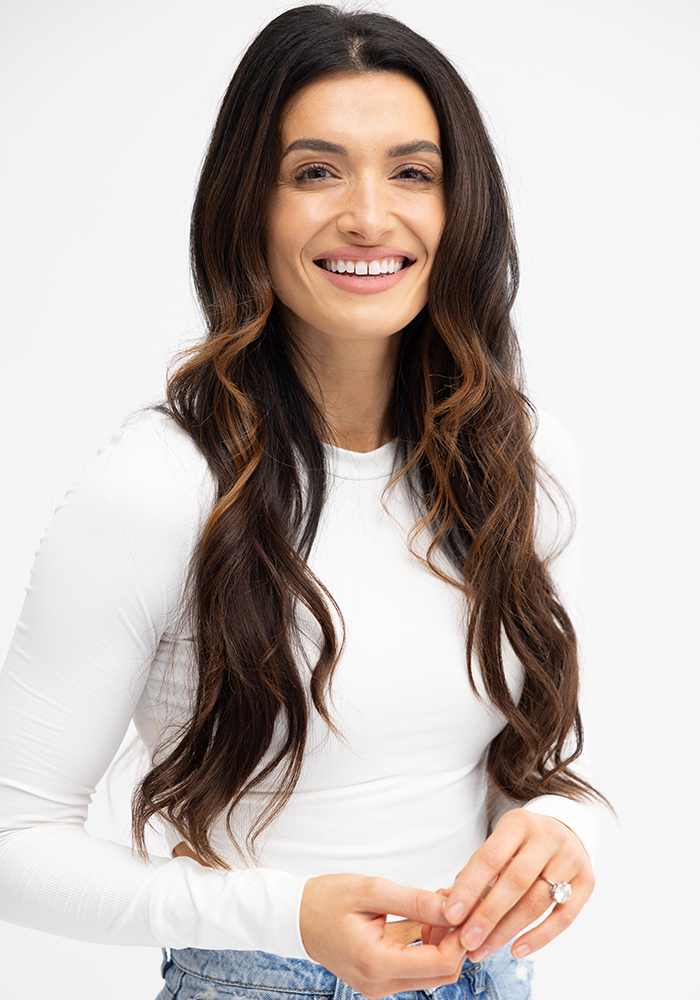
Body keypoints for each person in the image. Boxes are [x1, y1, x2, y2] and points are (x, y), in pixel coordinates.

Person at [0, 6, 605, 999]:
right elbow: (12, 839)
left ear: (461, 209)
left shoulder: (521, 459)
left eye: (412, 173)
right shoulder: (160, 484)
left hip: (490, 979)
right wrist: (287, 918)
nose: (369, 216)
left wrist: (565, 827)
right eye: (316, 171)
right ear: (249, 207)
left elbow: (531, 764)